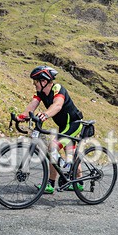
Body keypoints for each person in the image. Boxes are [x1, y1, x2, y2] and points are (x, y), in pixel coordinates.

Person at [18, 66, 84, 194]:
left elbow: (58, 105)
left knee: (52, 148)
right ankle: (77, 183)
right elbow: (31, 106)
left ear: (44, 81)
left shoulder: (57, 89)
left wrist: (46, 114)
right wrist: (21, 117)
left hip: (74, 124)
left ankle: (54, 180)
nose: (34, 84)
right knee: (69, 154)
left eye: (35, 81)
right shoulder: (40, 93)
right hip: (63, 126)